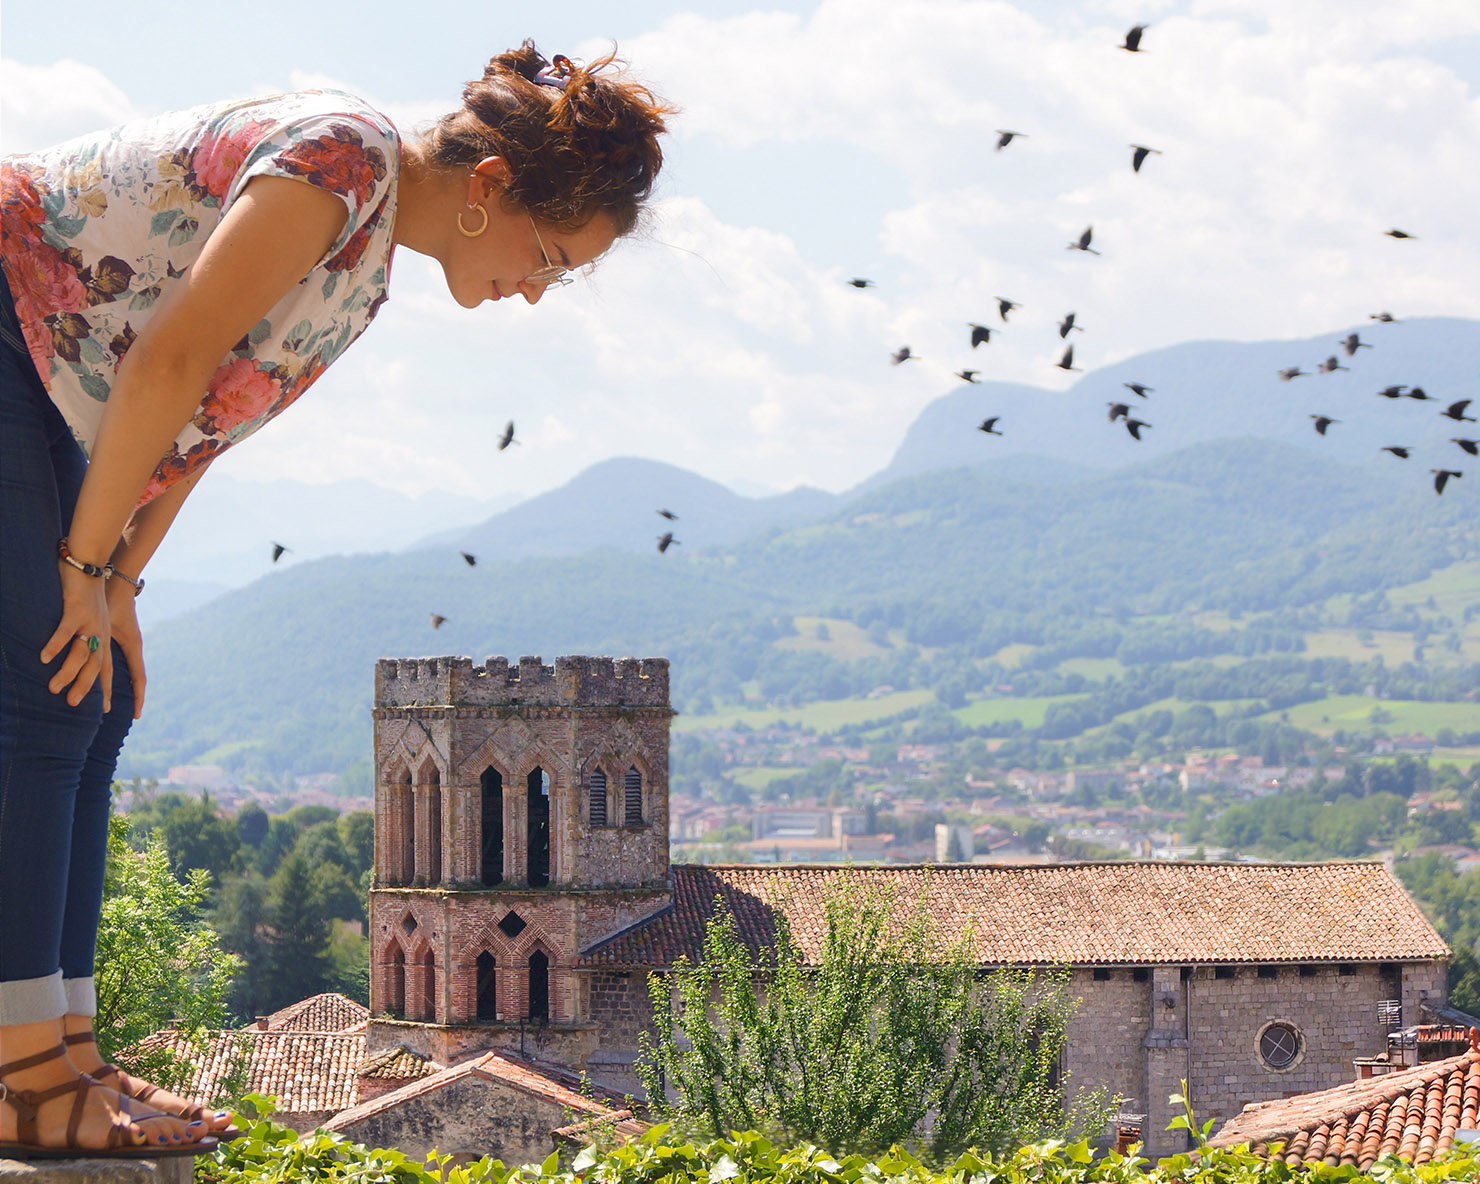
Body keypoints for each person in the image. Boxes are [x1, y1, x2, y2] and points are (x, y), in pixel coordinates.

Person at [0, 40, 670, 1159]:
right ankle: (21, 1073)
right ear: (492, 189)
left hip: (54, 372)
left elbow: (197, 427)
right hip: (10, 318)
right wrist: (78, 575)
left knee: (94, 690)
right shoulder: (336, 162)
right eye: (549, 254)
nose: (537, 291)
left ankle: (64, 1050)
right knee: (39, 692)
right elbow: (164, 362)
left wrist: (116, 584)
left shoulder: (360, 276)